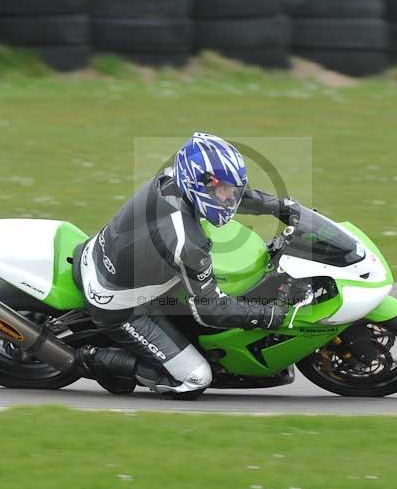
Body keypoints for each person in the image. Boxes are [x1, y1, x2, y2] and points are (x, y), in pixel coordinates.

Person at [75, 132, 299, 395]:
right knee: (195, 378)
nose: (228, 198)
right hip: (117, 303)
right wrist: (269, 316)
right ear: (197, 182)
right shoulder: (187, 242)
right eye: (221, 190)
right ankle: (92, 357)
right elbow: (211, 309)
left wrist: (281, 207)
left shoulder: (173, 177)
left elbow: (233, 196)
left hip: (108, 255)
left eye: (231, 189)